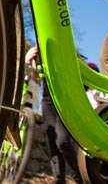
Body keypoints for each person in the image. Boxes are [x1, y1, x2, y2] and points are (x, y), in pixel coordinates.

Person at [26, 46, 84, 184]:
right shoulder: (37, 53)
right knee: (51, 140)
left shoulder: (62, 43)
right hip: (48, 100)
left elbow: (79, 69)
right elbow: (36, 80)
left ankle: (81, 177)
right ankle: (59, 180)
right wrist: (28, 62)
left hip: (67, 97)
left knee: (62, 141)